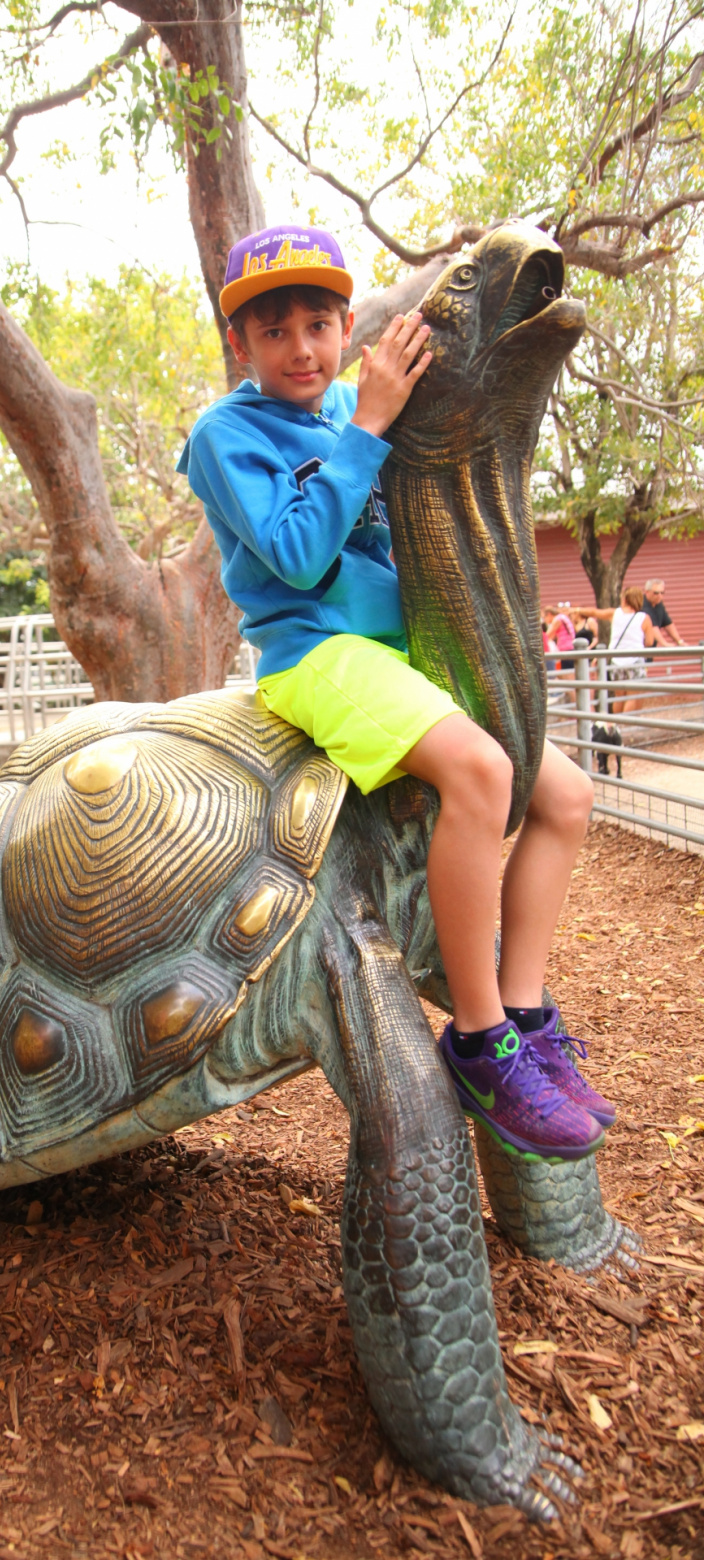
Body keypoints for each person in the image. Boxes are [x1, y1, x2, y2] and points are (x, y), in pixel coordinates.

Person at [177, 223, 612, 1162]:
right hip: (318, 653)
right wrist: (368, 426)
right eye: (276, 330)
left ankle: (529, 1013)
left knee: (567, 794)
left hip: (406, 649)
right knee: (481, 772)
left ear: (346, 328)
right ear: (242, 347)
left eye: (320, 323)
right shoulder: (228, 434)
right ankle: (482, 1038)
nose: (302, 348)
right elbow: (294, 554)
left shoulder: (352, 401)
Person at [587, 586, 659, 715]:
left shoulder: (615, 613)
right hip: (634, 661)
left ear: (625, 599)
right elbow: (650, 642)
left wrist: (574, 609)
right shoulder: (643, 617)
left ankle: (617, 725)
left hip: (616, 661)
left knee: (619, 696)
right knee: (632, 695)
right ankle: (626, 725)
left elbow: (594, 612)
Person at [643, 579, 686, 646]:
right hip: (639, 647)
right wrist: (664, 643)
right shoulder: (643, 605)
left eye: (662, 593)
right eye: (656, 593)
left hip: (650, 647)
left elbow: (668, 624)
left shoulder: (659, 604)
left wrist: (679, 641)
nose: (659, 596)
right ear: (647, 592)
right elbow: (653, 627)